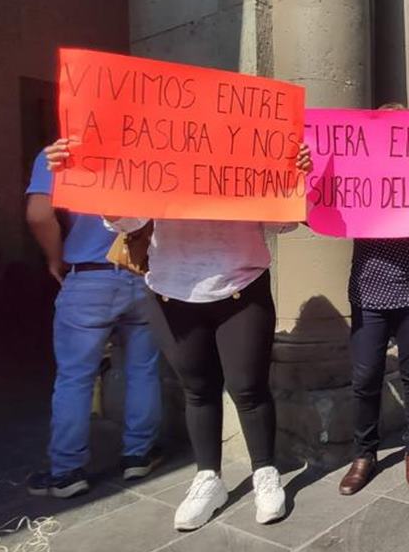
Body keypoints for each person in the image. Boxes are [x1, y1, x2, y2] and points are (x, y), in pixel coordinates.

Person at [44, 138, 311, 531]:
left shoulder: (248, 146)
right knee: (197, 389)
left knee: (248, 388)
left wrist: (293, 177)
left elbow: (281, 223)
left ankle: (264, 472)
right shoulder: (157, 148)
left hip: (242, 283)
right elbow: (128, 220)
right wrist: (83, 172)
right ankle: (208, 477)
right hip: (172, 290)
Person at [25, 149, 162, 498]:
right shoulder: (147, 147)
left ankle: (68, 471)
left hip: (89, 276)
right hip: (144, 273)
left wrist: (55, 258)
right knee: (143, 369)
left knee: (75, 377)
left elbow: (38, 214)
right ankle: (138, 454)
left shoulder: (61, 151)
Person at [338, 104, 409, 496]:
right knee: (365, 377)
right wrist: (308, 175)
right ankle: (364, 454)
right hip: (368, 291)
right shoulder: (355, 171)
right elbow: (318, 210)